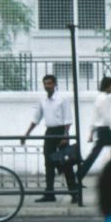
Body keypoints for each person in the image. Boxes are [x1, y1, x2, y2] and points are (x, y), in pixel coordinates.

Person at [20, 74, 79, 205]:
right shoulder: (43, 100)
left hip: (61, 132)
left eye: (49, 83)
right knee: (48, 164)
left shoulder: (63, 98)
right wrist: (27, 134)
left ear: (55, 84)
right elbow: (36, 118)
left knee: (66, 165)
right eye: (45, 83)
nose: (47, 86)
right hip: (50, 133)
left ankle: (74, 193)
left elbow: (68, 118)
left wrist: (65, 135)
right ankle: (49, 193)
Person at [79, 77, 111, 178]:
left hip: (102, 130)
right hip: (105, 130)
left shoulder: (100, 97)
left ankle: (79, 175)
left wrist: (92, 132)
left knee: (95, 154)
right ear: (108, 86)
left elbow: (95, 117)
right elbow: (106, 116)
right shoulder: (104, 98)